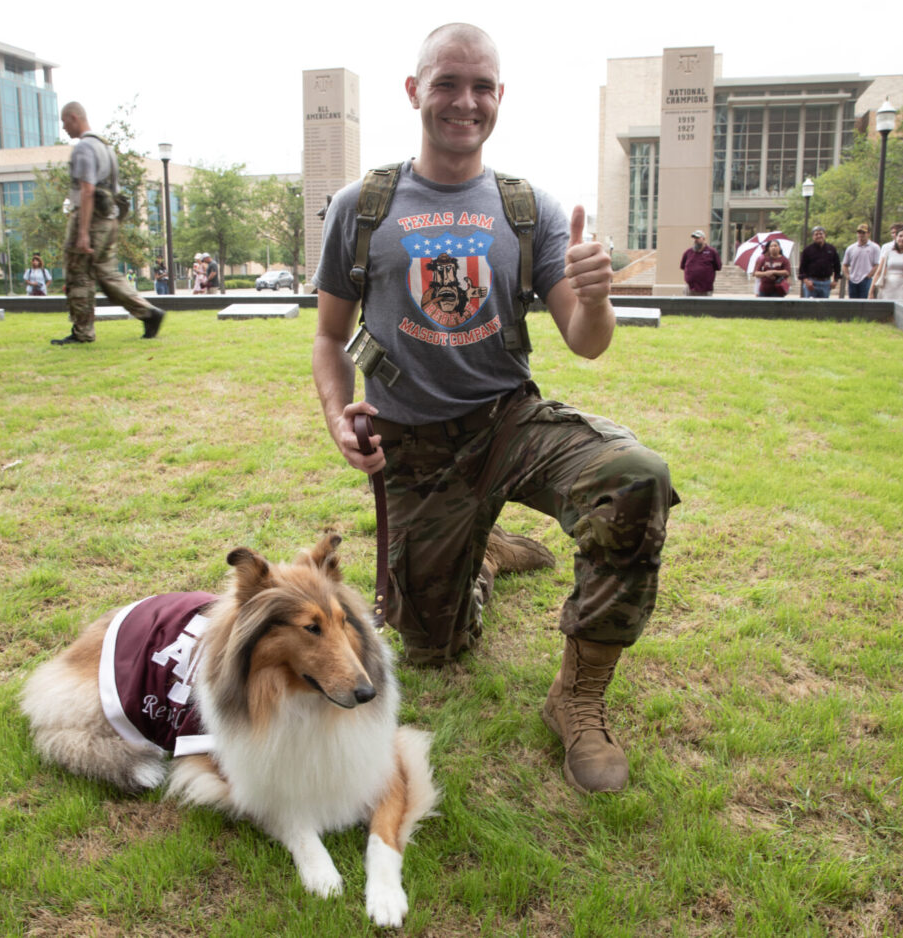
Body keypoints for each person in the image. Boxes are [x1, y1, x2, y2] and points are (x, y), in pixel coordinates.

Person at [313, 23, 678, 795]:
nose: (464, 101)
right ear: (415, 91)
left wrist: (598, 295)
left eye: (482, 87)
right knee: (432, 649)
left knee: (634, 476)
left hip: (509, 423)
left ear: (500, 98)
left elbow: (585, 341)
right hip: (414, 446)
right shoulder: (363, 205)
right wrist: (338, 413)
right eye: (447, 82)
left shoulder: (526, 209)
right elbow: (327, 337)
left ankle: (575, 699)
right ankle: (479, 551)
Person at [52, 101, 164, 346]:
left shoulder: (83, 148)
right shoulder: (106, 148)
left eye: (64, 122)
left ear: (73, 117)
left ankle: (82, 332)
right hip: (109, 219)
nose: (64, 128)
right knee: (107, 274)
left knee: (79, 274)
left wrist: (82, 232)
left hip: (91, 220)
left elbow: (87, 189)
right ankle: (149, 313)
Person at [870, 226, 903, 300]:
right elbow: (879, 271)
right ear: (896, 238)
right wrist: (871, 291)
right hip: (888, 286)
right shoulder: (888, 251)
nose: (902, 238)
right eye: (900, 236)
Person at [798, 226, 841, 298]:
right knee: (810, 307)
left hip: (826, 283)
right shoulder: (807, 250)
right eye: (816, 234)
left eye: (821, 234)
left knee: (823, 308)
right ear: (813, 236)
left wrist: (835, 280)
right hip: (811, 283)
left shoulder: (831, 249)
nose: (819, 236)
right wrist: (806, 281)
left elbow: (837, 266)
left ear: (824, 235)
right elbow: (802, 269)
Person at [842, 224, 881, 298]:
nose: (861, 235)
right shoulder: (851, 248)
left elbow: (877, 264)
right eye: (859, 232)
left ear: (868, 234)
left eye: (863, 233)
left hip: (866, 280)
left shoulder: (875, 247)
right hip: (853, 279)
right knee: (853, 303)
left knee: (864, 303)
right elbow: (845, 264)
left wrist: (869, 275)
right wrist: (848, 276)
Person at [679, 229, 721, 295]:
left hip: (706, 289)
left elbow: (718, 267)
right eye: (694, 238)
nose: (695, 240)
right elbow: (682, 266)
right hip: (690, 288)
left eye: (698, 238)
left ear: (703, 239)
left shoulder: (712, 252)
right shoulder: (688, 252)